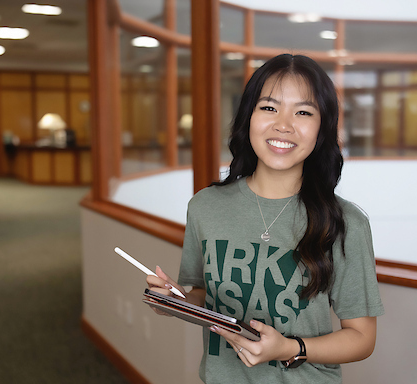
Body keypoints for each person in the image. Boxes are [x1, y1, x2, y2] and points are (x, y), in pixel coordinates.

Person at [147, 53, 384, 384]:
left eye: (303, 112)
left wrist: (289, 347)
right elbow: (202, 294)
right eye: (269, 107)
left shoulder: (346, 223)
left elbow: (362, 337)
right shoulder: (205, 206)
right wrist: (177, 301)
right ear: (249, 116)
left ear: (322, 127)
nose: (283, 125)